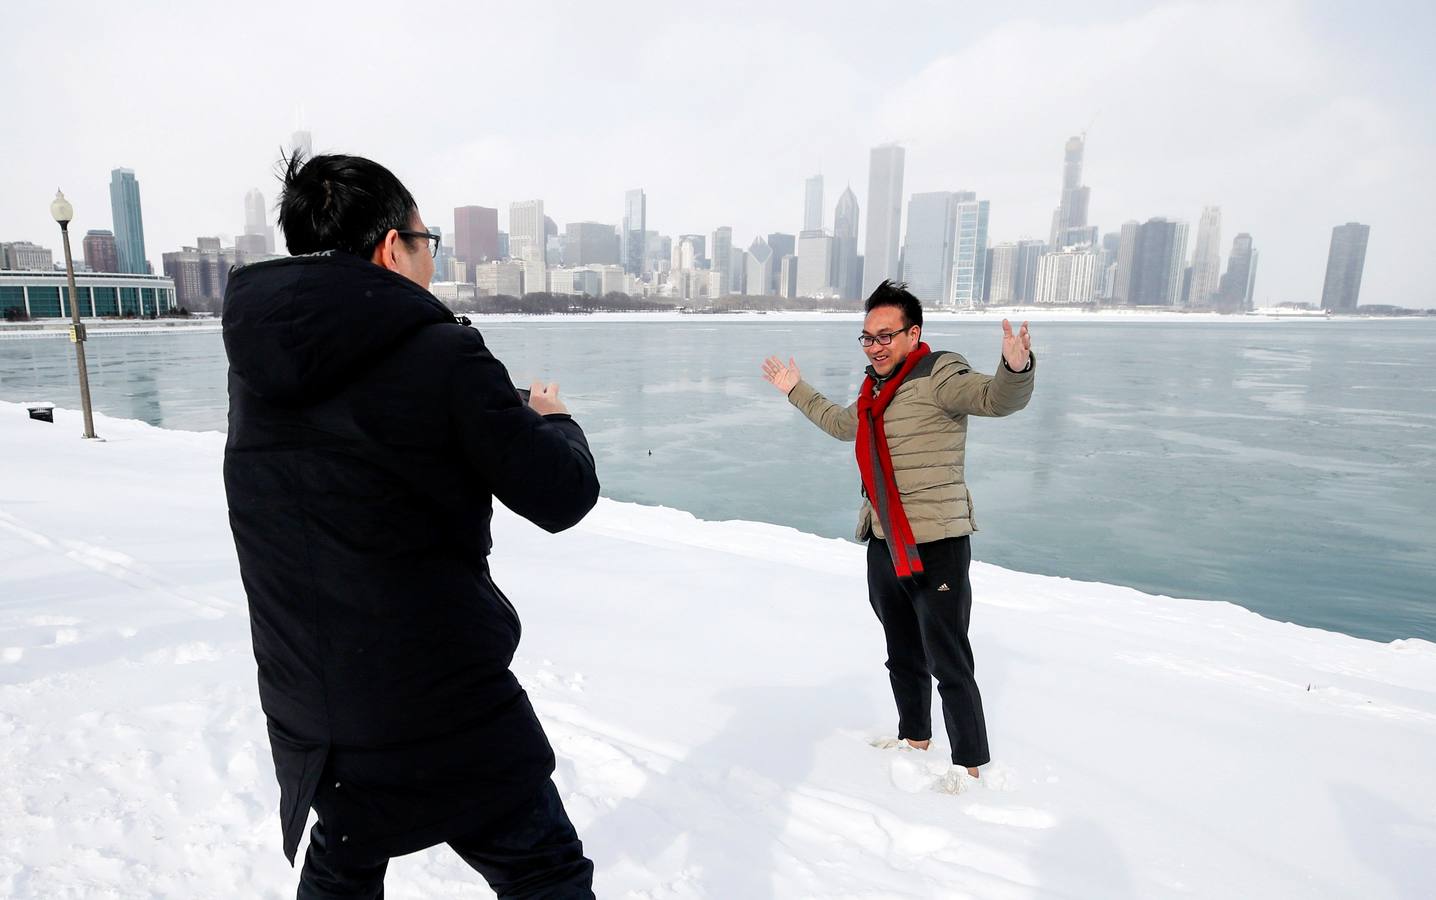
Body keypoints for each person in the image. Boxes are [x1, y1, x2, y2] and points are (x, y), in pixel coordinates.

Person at [222, 152, 600, 897]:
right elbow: (561, 496)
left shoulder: (256, 369)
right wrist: (556, 421)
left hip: (314, 703)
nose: (430, 259)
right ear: (392, 246)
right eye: (427, 242)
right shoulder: (444, 353)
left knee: (346, 863)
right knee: (543, 871)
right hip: (436, 701)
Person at [761, 281, 1034, 792]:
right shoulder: (873, 392)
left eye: (886, 336)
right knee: (901, 650)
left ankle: (970, 764)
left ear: (914, 333)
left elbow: (994, 399)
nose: (876, 346)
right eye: (867, 337)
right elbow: (845, 426)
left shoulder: (940, 374)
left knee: (948, 657)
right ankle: (915, 739)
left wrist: (1015, 368)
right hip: (884, 539)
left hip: (937, 543)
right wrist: (796, 390)